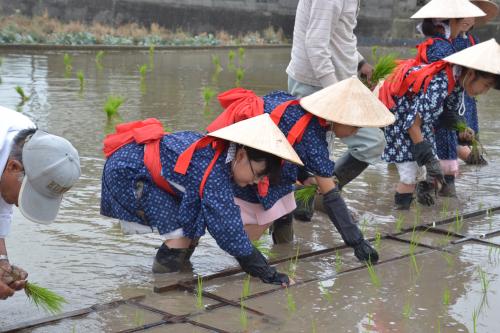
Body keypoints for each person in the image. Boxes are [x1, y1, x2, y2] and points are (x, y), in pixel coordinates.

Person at [206, 77, 395, 263]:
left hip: (240, 154)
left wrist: (304, 178)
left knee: (284, 202)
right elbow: (331, 197)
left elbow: (290, 143)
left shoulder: (291, 104)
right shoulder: (313, 138)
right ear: (339, 117)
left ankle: (281, 255)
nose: (356, 132)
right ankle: (241, 258)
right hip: (246, 164)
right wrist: (357, 241)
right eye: (355, 126)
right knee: (258, 220)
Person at [100, 114, 303, 286]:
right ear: (241, 155)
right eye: (257, 174)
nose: (256, 181)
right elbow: (228, 232)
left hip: (144, 167)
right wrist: (271, 275)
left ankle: (178, 275)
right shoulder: (214, 171)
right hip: (129, 172)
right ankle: (164, 289)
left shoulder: (221, 156)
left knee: (192, 227)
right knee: (179, 234)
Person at [285, 0, 386, 223]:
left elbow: (340, 36)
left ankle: (323, 195)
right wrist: (335, 94)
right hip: (314, 83)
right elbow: (315, 45)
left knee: (372, 142)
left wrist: (360, 63)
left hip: (336, 81)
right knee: (311, 151)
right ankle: (303, 209)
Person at [379, 39, 500, 210]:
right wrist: (428, 159)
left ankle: (420, 204)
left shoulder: (458, 81)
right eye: (486, 85)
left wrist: (462, 130)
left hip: (418, 119)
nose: (485, 91)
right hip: (400, 116)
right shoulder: (442, 81)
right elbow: (412, 124)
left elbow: (446, 115)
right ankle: (399, 216)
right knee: (410, 174)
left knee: (429, 172)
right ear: (471, 74)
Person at [410, 0, 492, 197]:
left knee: (449, 133)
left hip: (457, 97)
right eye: (463, 15)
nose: (468, 19)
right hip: (440, 101)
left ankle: (441, 183)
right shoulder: (440, 47)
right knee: (434, 137)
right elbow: (433, 97)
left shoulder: (469, 41)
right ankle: (437, 184)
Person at [0, 106, 81, 300]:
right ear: (13, 167)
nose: (20, 205)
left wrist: (2, 262)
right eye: (29, 193)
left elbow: (2, 207)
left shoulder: (30, 144)